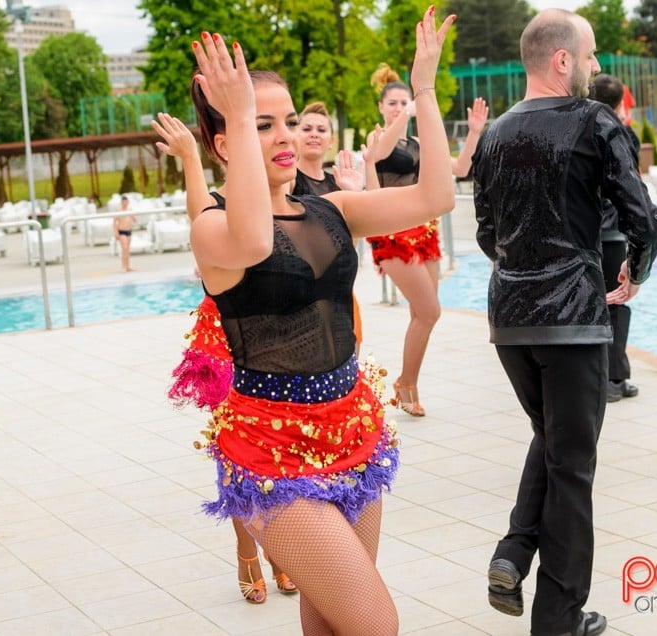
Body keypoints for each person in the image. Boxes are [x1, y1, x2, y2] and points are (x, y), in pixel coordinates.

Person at [185, 9, 455, 633]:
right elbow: (256, 241)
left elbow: (436, 196)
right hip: (270, 450)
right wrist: (235, 111)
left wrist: (423, 89)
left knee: (332, 621)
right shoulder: (212, 228)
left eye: (287, 120)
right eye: (262, 124)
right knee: (376, 622)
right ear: (225, 143)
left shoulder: (331, 209)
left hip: (353, 430)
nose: (284, 135)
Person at [472, 10, 657, 636]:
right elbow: (643, 218)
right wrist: (634, 271)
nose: (597, 64)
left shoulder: (494, 134)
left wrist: (524, 268)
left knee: (553, 441)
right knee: (573, 468)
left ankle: (513, 552)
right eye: (592, 53)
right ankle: (558, 619)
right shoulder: (595, 121)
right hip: (574, 320)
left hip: (510, 323)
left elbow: (487, 234)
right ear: (562, 60)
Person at [153, 112, 298, 603]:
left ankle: (282, 547)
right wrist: (190, 158)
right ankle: (247, 552)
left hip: (282, 338)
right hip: (228, 341)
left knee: (283, 449)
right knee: (242, 454)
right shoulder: (217, 208)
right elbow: (200, 217)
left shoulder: (291, 194)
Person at [364, 66, 488, 417]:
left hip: (424, 232)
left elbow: (459, 169)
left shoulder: (418, 143)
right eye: (392, 103)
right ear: (381, 107)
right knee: (431, 311)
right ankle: (406, 384)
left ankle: (407, 384)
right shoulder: (377, 138)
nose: (398, 107)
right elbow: (381, 152)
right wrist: (408, 112)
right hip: (392, 233)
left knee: (423, 314)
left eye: (403, 101)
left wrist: (474, 133)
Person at [293, 101, 368, 352]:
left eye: (321, 130)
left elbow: (349, 244)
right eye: (306, 129)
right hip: (299, 289)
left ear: (331, 141)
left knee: (350, 358)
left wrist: (352, 195)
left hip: (338, 285)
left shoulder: (338, 184)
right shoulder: (287, 181)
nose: (314, 134)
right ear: (294, 135)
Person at [589, 74, 640, 403]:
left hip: (583, 232)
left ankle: (601, 376)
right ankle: (614, 377)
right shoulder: (622, 134)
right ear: (621, 103)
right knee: (617, 302)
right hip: (610, 232)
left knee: (592, 304)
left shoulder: (579, 130)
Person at [113, 195, 137, 272]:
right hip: (122, 231)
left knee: (128, 250)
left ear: (128, 202)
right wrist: (116, 232)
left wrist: (132, 215)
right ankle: (123, 266)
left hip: (128, 231)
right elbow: (114, 223)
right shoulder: (119, 211)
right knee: (124, 249)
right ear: (121, 203)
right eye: (123, 202)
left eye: (126, 202)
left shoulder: (130, 210)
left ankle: (128, 266)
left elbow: (135, 220)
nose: (124, 203)